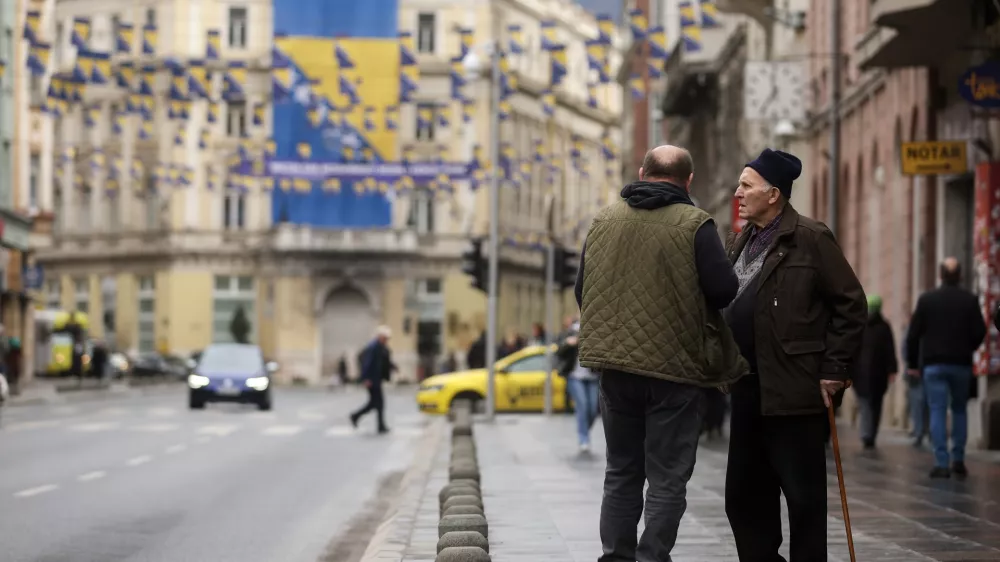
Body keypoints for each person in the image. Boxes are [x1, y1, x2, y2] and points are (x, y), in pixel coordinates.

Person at [576, 145, 746, 561]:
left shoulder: (604, 220)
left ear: (641, 172)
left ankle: (616, 556)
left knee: (621, 471)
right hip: (676, 371)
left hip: (616, 368)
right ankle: (652, 556)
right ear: (688, 181)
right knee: (667, 478)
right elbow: (724, 290)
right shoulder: (694, 224)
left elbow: (583, 289)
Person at [722, 148, 867, 561]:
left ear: (773, 194)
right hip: (748, 391)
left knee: (803, 504)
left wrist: (835, 368)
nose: (737, 193)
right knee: (743, 501)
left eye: (746, 185)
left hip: (796, 391)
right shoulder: (740, 241)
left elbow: (851, 304)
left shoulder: (810, 237)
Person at [905, 257, 986, 478]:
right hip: (960, 364)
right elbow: (980, 331)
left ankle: (941, 462)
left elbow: (913, 335)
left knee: (938, 410)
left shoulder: (927, 300)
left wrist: (913, 364)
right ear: (960, 276)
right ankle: (958, 459)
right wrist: (968, 347)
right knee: (959, 409)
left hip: (933, 365)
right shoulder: (969, 300)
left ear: (940, 275)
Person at [854, 295, 898, 449]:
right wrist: (892, 369)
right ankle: (870, 433)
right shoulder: (884, 327)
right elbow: (890, 350)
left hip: (860, 373)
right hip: (879, 374)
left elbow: (852, 349)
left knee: (865, 403)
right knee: (875, 405)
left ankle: (867, 434)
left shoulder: (859, 325)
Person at [555, 321, 598, 452]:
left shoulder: (595, 331)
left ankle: (584, 428)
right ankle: (583, 438)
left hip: (592, 377)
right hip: (575, 378)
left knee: (592, 409)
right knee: (583, 406)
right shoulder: (571, 332)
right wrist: (568, 344)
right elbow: (558, 353)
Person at [349, 326, 397, 434]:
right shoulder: (373, 347)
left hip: (377, 378)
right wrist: (366, 378)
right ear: (380, 336)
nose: (387, 340)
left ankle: (378, 425)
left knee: (376, 403)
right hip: (372, 379)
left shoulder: (381, 347)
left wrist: (393, 366)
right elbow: (367, 364)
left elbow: (385, 361)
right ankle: (356, 416)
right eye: (385, 338)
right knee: (376, 403)